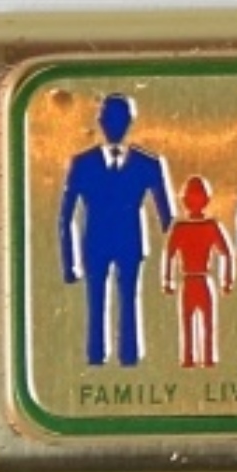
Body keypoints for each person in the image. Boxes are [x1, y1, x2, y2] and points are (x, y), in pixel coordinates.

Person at [57, 95, 173, 367]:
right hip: (95, 242)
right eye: (108, 118)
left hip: (130, 242)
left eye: (120, 119)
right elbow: (66, 215)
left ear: (130, 121)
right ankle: (95, 356)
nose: (113, 124)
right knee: (95, 301)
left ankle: (130, 356)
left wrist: (173, 259)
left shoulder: (147, 163)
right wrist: (69, 263)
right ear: (100, 121)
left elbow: (167, 216)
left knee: (129, 299)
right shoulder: (83, 164)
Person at [161, 177, 233, 370]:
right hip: (193, 280)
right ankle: (190, 357)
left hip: (201, 279)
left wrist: (227, 279)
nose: (194, 202)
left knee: (205, 322)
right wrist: (167, 279)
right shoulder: (183, 228)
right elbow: (169, 255)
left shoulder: (207, 226)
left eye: (197, 198)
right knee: (190, 322)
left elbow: (226, 253)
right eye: (191, 198)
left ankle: (205, 357)